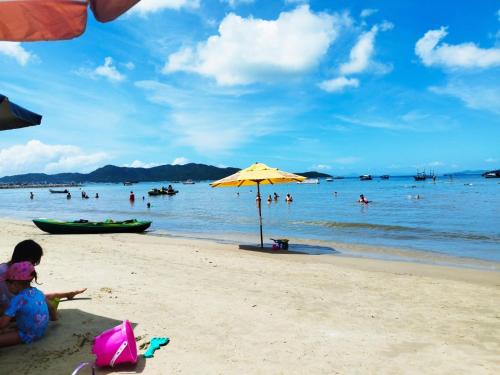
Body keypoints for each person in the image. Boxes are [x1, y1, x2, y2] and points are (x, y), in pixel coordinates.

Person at [0, 240, 86, 320]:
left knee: (40, 296)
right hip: (8, 305)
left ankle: (69, 294)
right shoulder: (5, 271)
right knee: (39, 299)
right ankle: (69, 294)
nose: (33, 265)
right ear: (28, 258)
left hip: (16, 300)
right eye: (34, 262)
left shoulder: (18, 270)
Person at [0, 262, 49, 347]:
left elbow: (2, 323)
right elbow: (51, 307)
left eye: (7, 284)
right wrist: (55, 319)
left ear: (14, 284)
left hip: (28, 334)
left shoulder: (17, 299)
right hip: (42, 330)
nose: (6, 287)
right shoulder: (38, 292)